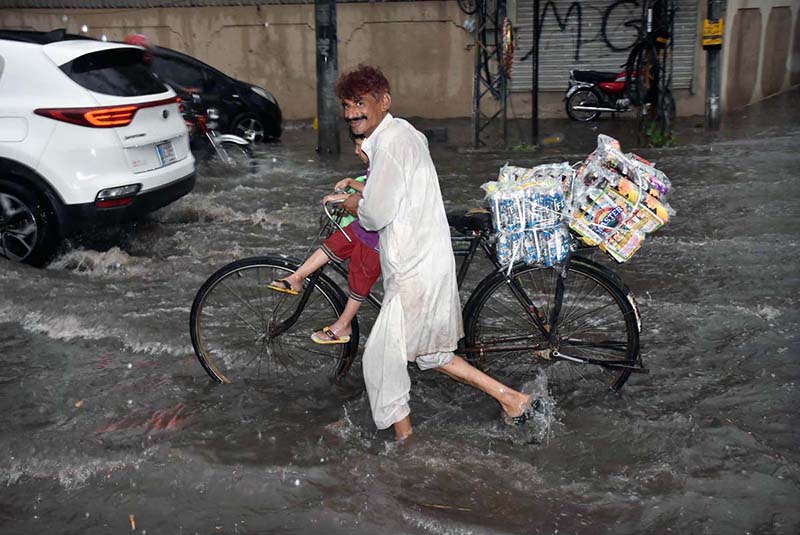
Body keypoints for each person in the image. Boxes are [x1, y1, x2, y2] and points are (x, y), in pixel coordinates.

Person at [337, 65, 538, 441]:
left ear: (384, 101)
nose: (351, 113)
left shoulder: (391, 145)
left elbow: (376, 212)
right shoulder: (404, 134)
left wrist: (352, 201)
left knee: (381, 358)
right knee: (429, 354)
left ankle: (406, 441)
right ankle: (511, 399)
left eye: (360, 103)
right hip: (424, 258)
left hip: (415, 268)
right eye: (347, 106)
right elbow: (395, 195)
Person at [268, 135, 380, 345]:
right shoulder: (376, 165)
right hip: (365, 224)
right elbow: (370, 190)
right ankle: (297, 277)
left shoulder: (385, 163)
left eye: (359, 147)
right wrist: (348, 186)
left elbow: (378, 196)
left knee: (361, 274)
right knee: (335, 242)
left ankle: (344, 324)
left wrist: (343, 196)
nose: (356, 152)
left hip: (378, 235)